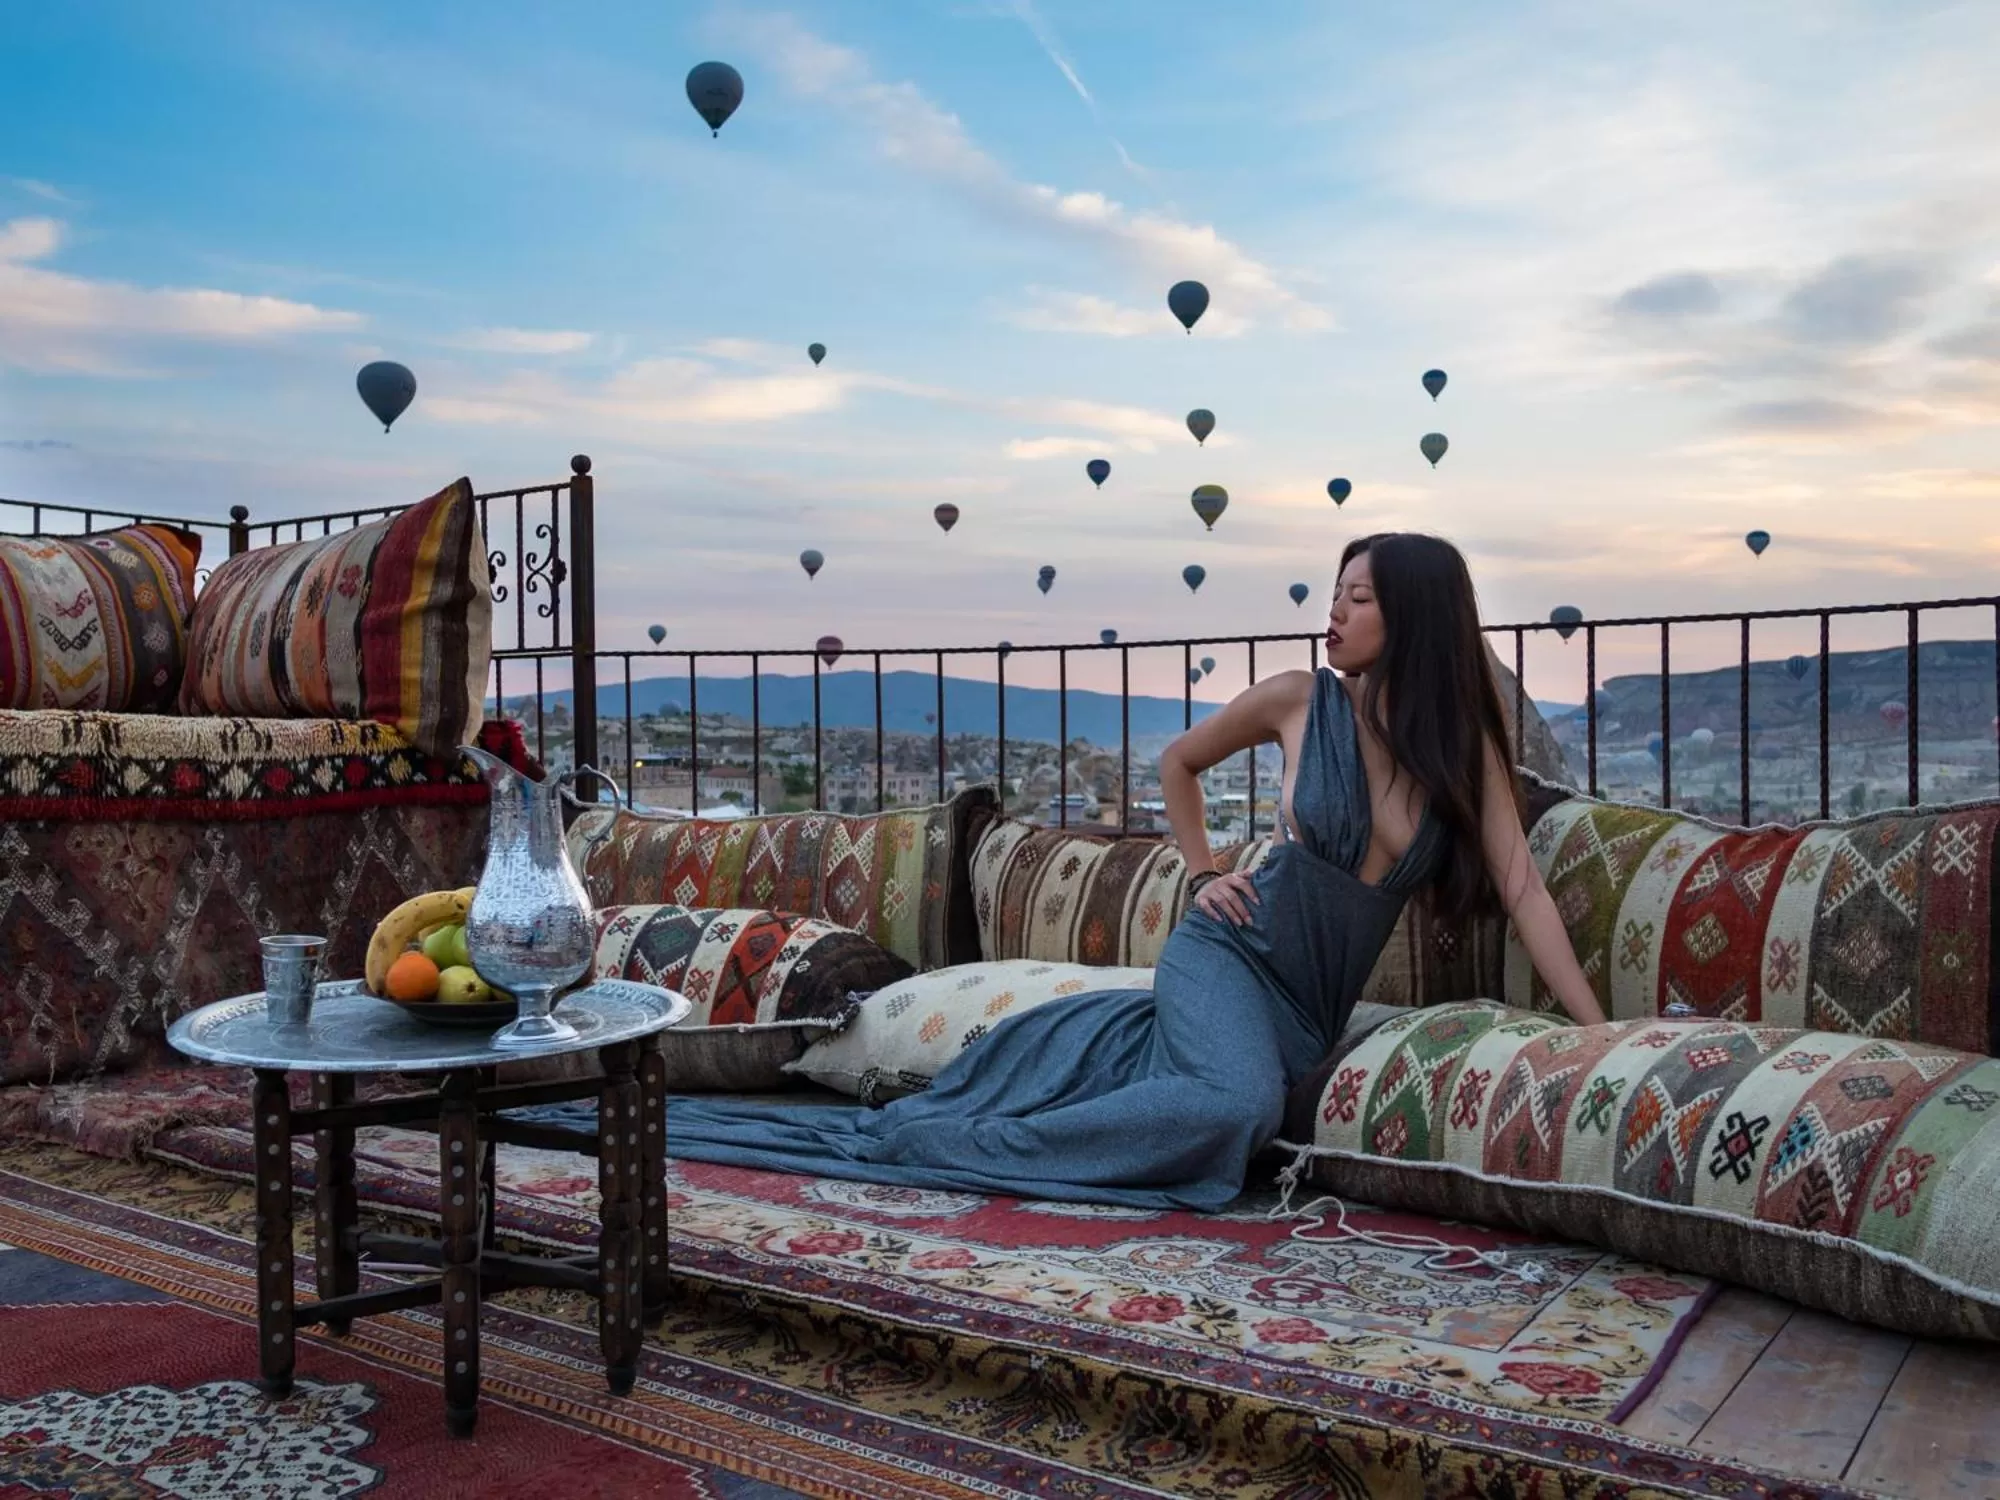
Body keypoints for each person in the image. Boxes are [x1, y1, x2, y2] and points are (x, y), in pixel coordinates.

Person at [664, 533, 1607, 1211]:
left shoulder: (1462, 752)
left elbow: (1521, 888)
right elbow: (1177, 766)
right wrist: (1202, 876)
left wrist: (1600, 1031)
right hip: (1230, 955)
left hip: (1308, 1004)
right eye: (1333, 592)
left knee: (1202, 1095)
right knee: (1235, 1106)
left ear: (1417, 615)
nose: (1334, 612)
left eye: (1357, 598)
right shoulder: (1298, 700)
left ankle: (1051, 1118)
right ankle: (966, 1143)